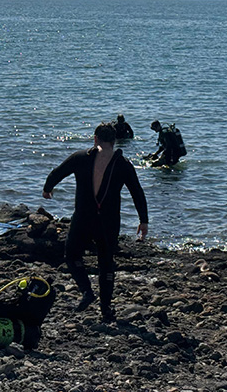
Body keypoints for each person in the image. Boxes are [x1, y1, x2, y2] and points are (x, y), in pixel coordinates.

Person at [42, 122, 149, 322]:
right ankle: (106, 309)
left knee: (72, 255)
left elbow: (58, 172)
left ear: (95, 139)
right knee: (106, 264)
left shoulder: (81, 157)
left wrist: (47, 188)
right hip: (109, 221)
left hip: (83, 217)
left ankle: (86, 291)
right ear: (114, 141)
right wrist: (143, 220)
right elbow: (137, 192)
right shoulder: (123, 164)